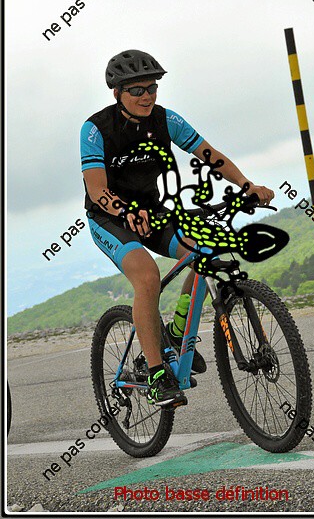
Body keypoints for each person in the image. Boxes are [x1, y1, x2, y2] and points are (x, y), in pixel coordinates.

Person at [80, 50, 275, 407]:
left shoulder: (166, 120)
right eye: (137, 90)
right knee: (147, 276)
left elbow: (210, 155)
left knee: (203, 252)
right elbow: (96, 189)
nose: (147, 96)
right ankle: (156, 374)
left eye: (152, 88)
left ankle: (175, 332)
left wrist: (246, 185)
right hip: (109, 218)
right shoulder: (96, 129)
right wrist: (125, 211)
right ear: (117, 93)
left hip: (153, 213)